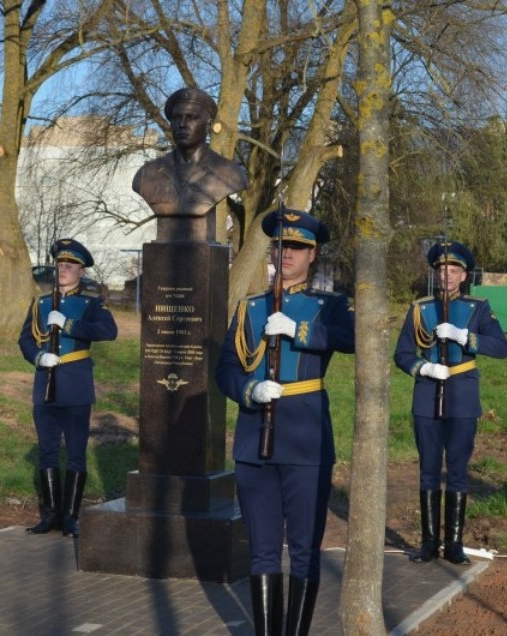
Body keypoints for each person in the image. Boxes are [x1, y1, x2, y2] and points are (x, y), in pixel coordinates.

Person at [215, 210, 355, 635]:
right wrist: (248, 391)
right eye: (281, 246)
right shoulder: (250, 308)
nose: (287, 253)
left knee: (304, 550)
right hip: (254, 437)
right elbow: (225, 367)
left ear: (313, 254)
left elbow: (352, 340)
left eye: (297, 247)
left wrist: (301, 330)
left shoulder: (328, 306)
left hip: (305, 438)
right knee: (261, 550)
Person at [393, 240, 507, 565]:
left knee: (457, 470)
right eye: (441, 269)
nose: (447, 275)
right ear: (435, 273)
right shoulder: (420, 310)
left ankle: (454, 543)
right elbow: (402, 353)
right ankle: (429, 543)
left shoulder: (477, 308)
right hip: (427, 393)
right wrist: (423, 367)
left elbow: (501, 347)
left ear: (464, 275)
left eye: (454, 269)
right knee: (428, 469)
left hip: (462, 393)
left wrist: (464, 338)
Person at [17, 239, 117, 538]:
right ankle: (50, 515)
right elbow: (24, 339)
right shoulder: (41, 303)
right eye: (60, 265)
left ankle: (71, 517)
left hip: (75, 382)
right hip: (45, 381)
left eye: (70, 266)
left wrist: (70, 325)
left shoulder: (90, 303)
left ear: (81, 273)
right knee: (47, 450)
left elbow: (108, 332)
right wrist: (37, 356)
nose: (63, 270)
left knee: (75, 452)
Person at [132, 87, 247, 242]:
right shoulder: (147, 174)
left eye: (192, 118)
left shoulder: (229, 174)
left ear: (208, 125)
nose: (182, 124)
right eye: (177, 117)